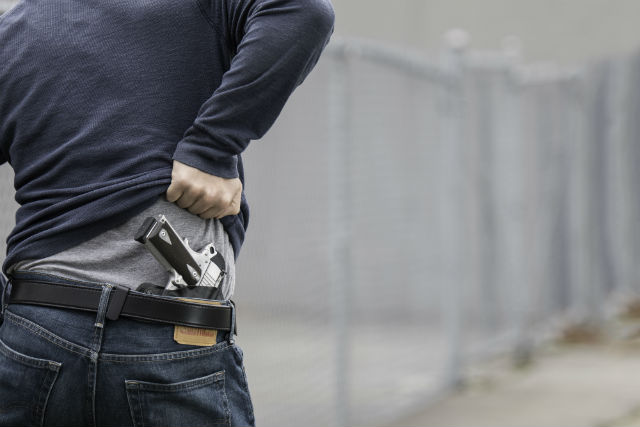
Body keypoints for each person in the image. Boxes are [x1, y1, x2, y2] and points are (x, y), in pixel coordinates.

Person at [0, 0, 334, 424]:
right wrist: (211, 148)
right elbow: (305, 10)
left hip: (33, 330)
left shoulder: (13, 31)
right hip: (169, 332)